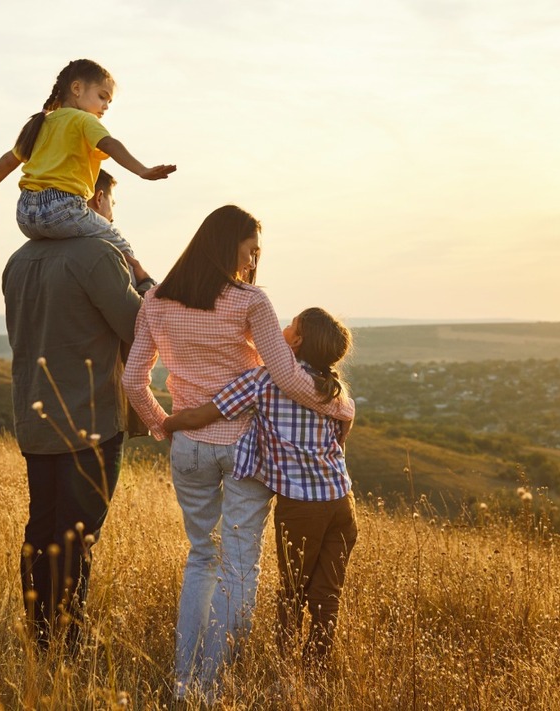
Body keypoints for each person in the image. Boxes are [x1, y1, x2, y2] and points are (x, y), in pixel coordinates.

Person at [121, 205, 355, 701]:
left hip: (189, 446)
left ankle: (185, 683)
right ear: (230, 246)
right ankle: (212, 686)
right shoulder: (250, 301)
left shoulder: (158, 301)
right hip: (246, 451)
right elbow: (291, 377)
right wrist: (342, 406)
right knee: (240, 567)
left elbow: (131, 380)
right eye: (251, 251)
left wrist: (162, 426)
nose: (253, 263)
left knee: (202, 557)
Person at [163, 306, 359, 670]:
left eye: (290, 325)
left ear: (297, 341)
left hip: (302, 507)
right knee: (326, 593)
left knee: (292, 592)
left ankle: (286, 672)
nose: (283, 328)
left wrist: (168, 422)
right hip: (341, 503)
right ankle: (313, 674)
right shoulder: (332, 391)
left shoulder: (262, 381)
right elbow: (343, 427)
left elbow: (206, 413)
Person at [4, 220, 143, 653]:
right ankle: (65, 643)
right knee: (76, 536)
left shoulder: (18, 259)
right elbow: (140, 327)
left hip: (35, 415)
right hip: (90, 420)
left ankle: (40, 635)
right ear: (95, 202)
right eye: (112, 204)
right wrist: (143, 279)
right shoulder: (98, 255)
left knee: (42, 527)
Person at [0, 58, 176, 291]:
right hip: (63, 209)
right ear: (77, 89)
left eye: (109, 101)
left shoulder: (39, 124)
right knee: (120, 245)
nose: (106, 106)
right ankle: (147, 296)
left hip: (25, 215)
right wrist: (142, 170)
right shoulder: (84, 119)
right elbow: (109, 144)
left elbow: (8, 160)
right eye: (102, 96)